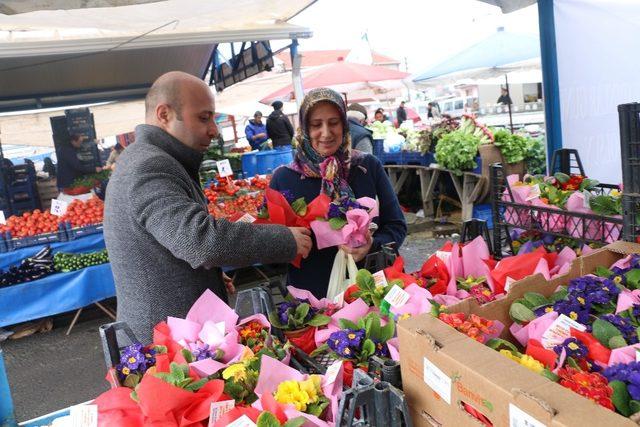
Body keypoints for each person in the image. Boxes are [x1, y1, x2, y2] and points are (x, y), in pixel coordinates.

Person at [104, 71, 312, 342]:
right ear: (164, 114)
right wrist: (285, 240)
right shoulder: (150, 166)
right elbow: (201, 241)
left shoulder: (148, 158)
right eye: (204, 118)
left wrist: (207, 278)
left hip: (170, 331)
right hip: (165, 343)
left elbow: (170, 243)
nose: (214, 129)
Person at [270, 88, 407, 298]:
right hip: (313, 298)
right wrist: (286, 242)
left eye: (334, 123)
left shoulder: (367, 167)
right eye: (316, 125)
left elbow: (396, 226)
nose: (326, 133)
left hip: (372, 290)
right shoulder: (284, 178)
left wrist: (372, 244)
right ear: (305, 128)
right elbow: (270, 251)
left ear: (344, 124)